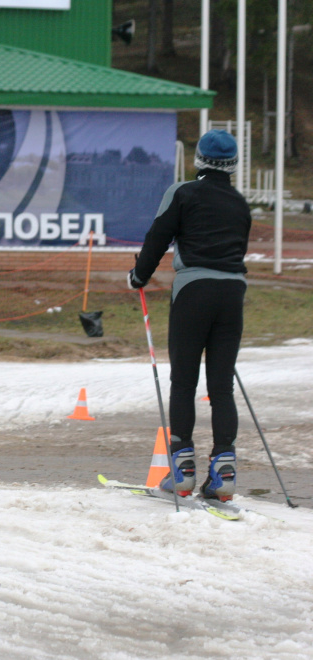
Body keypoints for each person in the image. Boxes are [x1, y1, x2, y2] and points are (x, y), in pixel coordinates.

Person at [128, 129, 251, 502]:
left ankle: (181, 472)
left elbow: (158, 235)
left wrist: (139, 276)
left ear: (198, 159)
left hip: (193, 290)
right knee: (221, 386)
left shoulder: (183, 192)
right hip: (232, 293)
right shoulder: (240, 202)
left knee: (183, 381)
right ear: (233, 164)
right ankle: (223, 473)